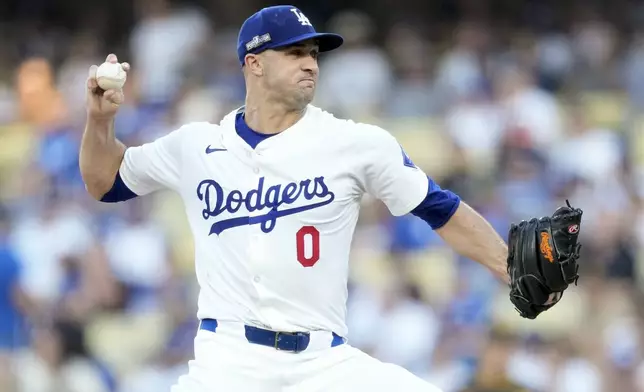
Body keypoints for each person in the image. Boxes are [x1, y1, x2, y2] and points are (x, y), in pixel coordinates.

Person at [79, 5, 510, 391]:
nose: (310, 65)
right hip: (227, 362)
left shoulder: (355, 143)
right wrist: (100, 122)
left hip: (325, 362)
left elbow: (440, 208)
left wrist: (508, 267)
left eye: (313, 54)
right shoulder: (195, 146)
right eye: (294, 53)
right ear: (254, 64)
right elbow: (105, 183)